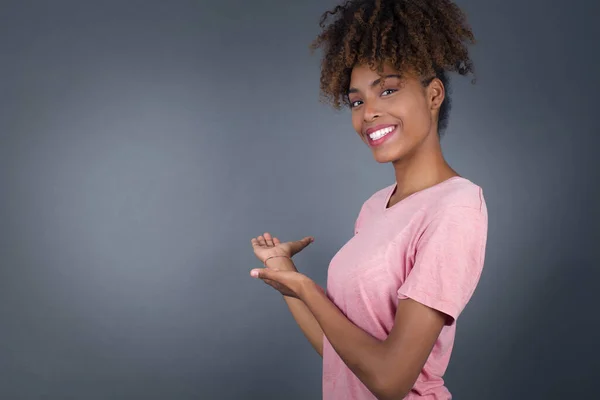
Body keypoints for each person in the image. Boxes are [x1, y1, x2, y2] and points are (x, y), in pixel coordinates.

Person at [249, 0, 488, 398]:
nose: (369, 113)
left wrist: (308, 289)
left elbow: (391, 380)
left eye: (388, 90)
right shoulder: (377, 206)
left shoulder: (456, 207)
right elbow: (341, 354)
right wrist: (285, 275)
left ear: (433, 95)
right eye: (357, 101)